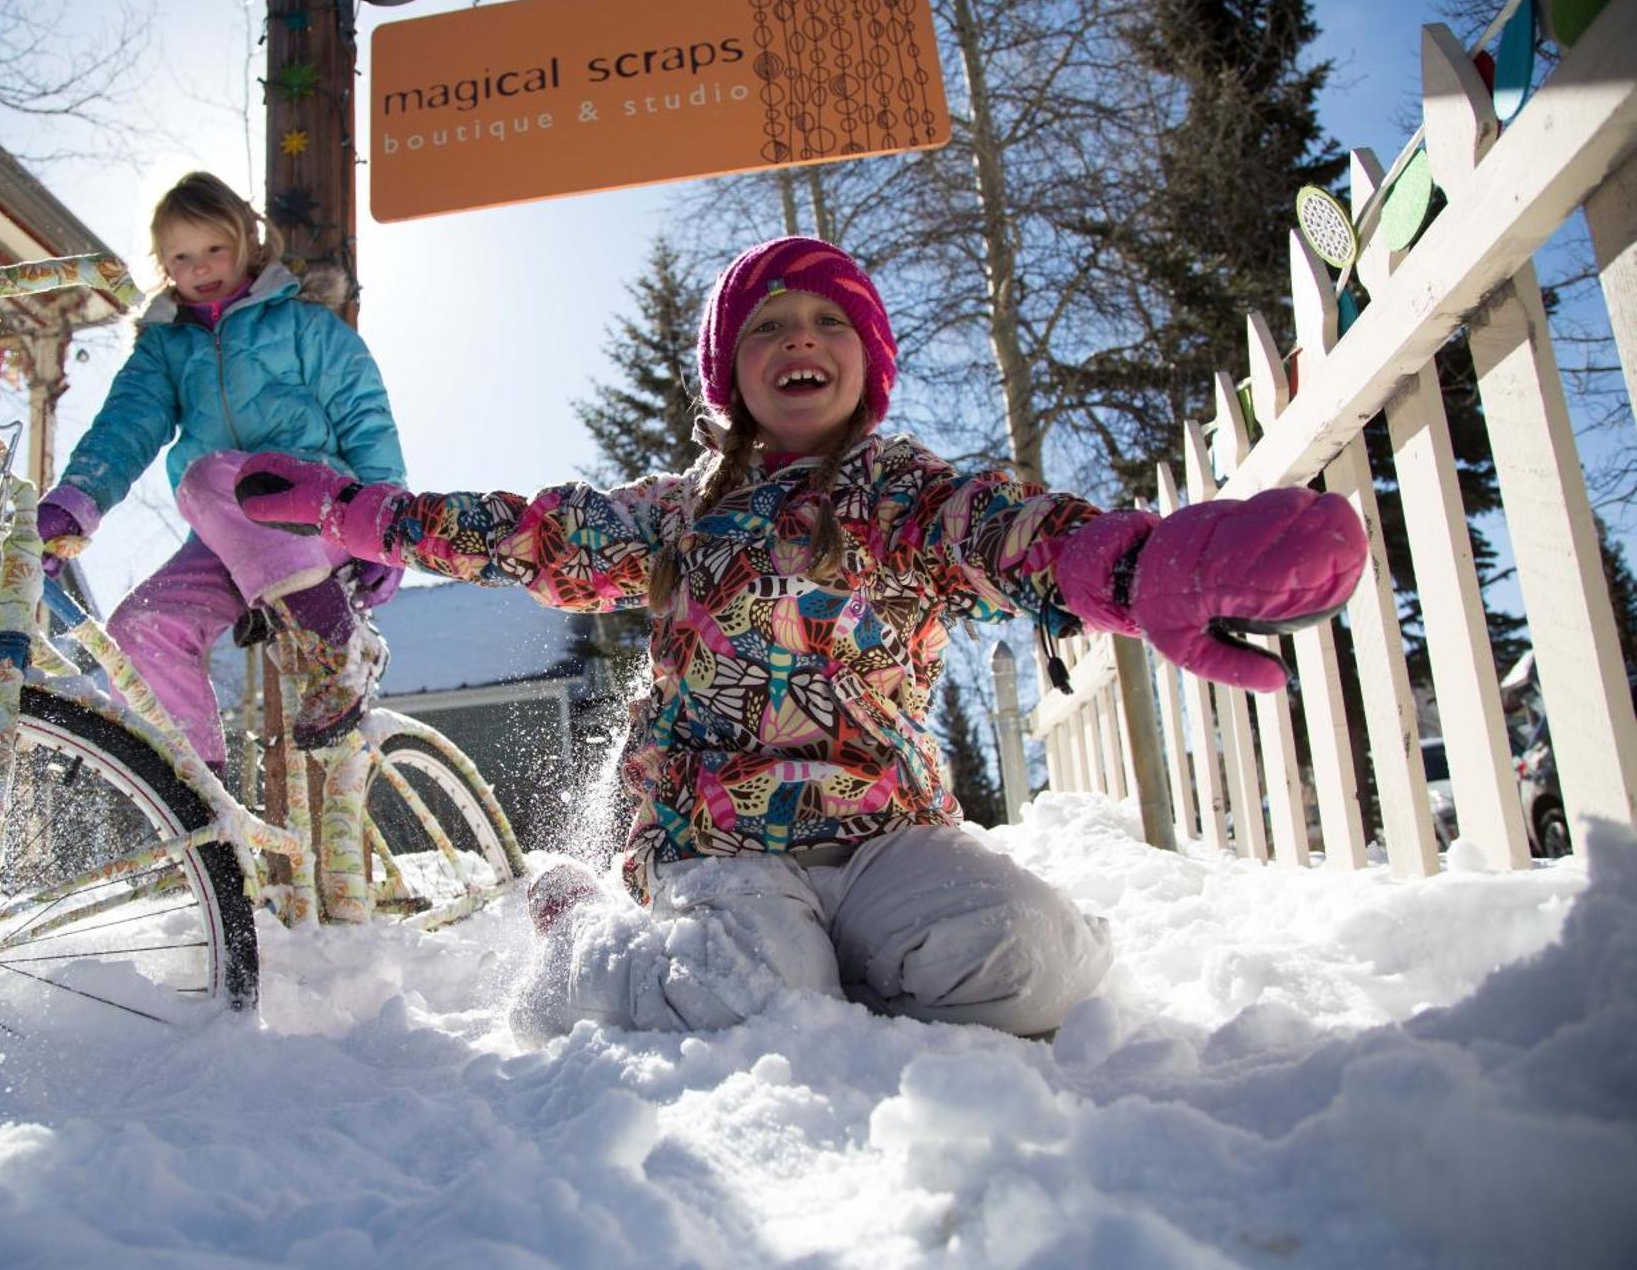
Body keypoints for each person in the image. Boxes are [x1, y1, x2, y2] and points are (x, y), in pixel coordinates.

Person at [231, 237, 1366, 1040]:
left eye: (826, 320)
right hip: (717, 842)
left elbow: (1009, 535)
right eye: (765, 326)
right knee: (753, 998)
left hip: (883, 834)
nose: (798, 340)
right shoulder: (675, 512)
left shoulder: (902, 495)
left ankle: (858, 959)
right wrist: (354, 509)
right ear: (730, 375)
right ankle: (585, 933)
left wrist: (1136, 565)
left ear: (866, 357)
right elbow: (531, 534)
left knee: (1031, 960)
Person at [37, 172, 406, 774]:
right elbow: (124, 427)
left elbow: (366, 419)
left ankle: (337, 649)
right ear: (162, 263)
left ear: (248, 244)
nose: (201, 266)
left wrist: (386, 526)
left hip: (318, 515)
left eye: (216, 248)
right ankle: (194, 802)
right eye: (181, 255)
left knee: (209, 477)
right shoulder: (165, 348)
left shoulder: (304, 327)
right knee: (141, 627)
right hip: (227, 540)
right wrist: (75, 502)